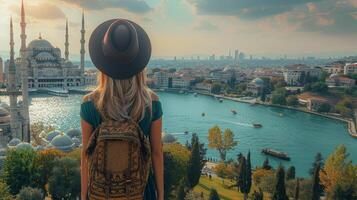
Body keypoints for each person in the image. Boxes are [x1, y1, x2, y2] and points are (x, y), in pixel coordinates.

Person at [80, 19, 163, 200]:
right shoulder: (152, 103)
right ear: (139, 64)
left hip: (102, 193)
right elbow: (156, 153)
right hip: (140, 191)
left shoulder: (89, 105)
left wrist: (84, 195)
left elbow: (86, 155)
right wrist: (160, 195)